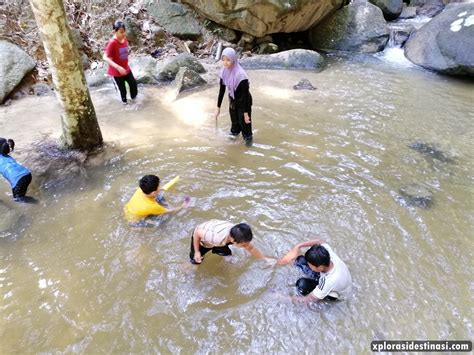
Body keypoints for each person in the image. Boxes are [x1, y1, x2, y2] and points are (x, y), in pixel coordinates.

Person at [278, 239, 352, 301]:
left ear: (319, 268)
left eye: (310, 265)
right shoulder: (328, 253)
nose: (309, 266)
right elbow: (320, 241)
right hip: (340, 278)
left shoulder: (328, 281)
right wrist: (298, 246)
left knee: (302, 284)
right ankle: (276, 261)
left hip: (335, 293)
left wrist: (282, 298)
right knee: (300, 260)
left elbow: (308, 300)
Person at [214, 47, 253, 145]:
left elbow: (244, 96)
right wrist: (218, 108)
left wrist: (246, 113)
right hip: (233, 100)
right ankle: (233, 139)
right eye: (224, 60)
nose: (225, 62)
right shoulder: (224, 71)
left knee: (245, 127)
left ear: (234, 60)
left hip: (244, 102)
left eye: (228, 60)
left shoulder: (241, 75)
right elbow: (222, 90)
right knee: (234, 125)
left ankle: (248, 144)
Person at [190, 220, 266, 264]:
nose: (246, 246)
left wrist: (264, 259)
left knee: (227, 255)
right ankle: (186, 268)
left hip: (218, 235)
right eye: (244, 245)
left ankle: (225, 255)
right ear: (233, 241)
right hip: (202, 238)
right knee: (196, 260)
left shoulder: (237, 233)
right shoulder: (217, 238)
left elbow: (251, 248)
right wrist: (197, 252)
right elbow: (197, 233)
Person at [124, 175, 189, 224]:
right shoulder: (152, 206)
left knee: (159, 196)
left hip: (128, 210)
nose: (160, 187)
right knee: (162, 220)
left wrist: (161, 189)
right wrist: (183, 206)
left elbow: (155, 193)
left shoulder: (141, 189)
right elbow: (170, 211)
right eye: (159, 186)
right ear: (153, 192)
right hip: (135, 221)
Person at [103, 20, 138, 105]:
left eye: (124, 31)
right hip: (116, 73)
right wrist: (118, 67)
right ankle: (125, 107)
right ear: (115, 32)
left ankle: (135, 103)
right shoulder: (112, 43)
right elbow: (104, 57)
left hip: (126, 69)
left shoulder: (125, 39)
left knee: (133, 85)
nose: (123, 34)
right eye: (121, 32)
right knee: (123, 93)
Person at [0, 138, 32, 202]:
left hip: (18, 180)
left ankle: (38, 203)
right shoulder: (8, 157)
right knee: (19, 197)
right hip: (27, 174)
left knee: (19, 201)